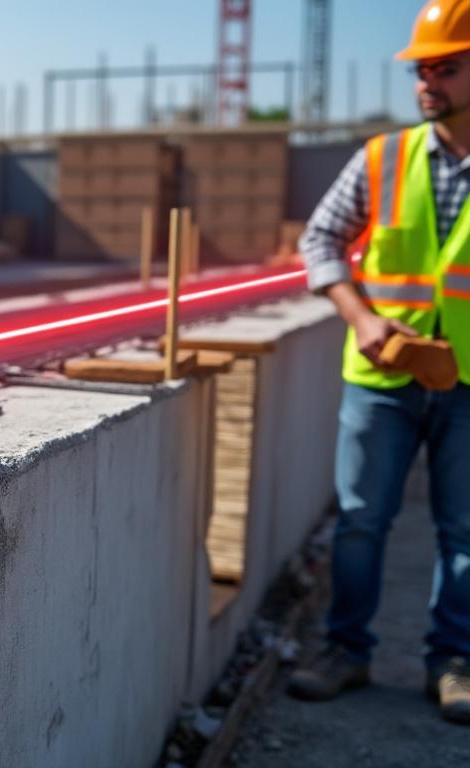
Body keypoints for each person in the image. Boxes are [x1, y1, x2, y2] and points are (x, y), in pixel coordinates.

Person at [288, 0, 470, 724]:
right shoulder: (383, 158)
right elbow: (321, 240)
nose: (428, 82)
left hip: (468, 384)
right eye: (422, 69)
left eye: (446, 67)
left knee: (463, 532)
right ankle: (346, 651)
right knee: (362, 521)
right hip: (383, 377)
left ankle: (453, 662)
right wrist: (361, 318)